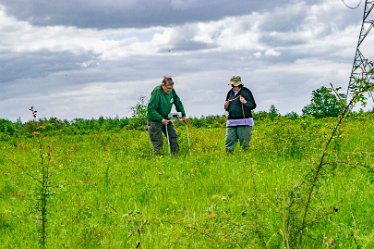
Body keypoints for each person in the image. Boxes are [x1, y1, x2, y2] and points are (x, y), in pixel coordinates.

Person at [147, 76, 188, 155]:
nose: (170, 90)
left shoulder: (172, 91)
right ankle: (158, 161)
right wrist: (160, 119)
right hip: (155, 120)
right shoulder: (157, 92)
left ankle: (175, 157)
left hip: (166, 118)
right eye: (168, 88)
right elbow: (150, 109)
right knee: (158, 142)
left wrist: (183, 115)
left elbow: (177, 102)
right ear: (163, 85)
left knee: (173, 137)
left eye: (171, 88)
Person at [224, 76, 256, 152]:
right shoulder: (230, 92)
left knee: (245, 144)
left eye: (234, 84)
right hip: (231, 122)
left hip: (244, 121)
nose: (232, 86)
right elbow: (227, 108)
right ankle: (228, 158)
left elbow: (253, 105)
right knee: (229, 142)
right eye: (232, 84)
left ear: (239, 84)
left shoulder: (246, 92)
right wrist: (226, 105)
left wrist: (245, 102)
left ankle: (246, 159)